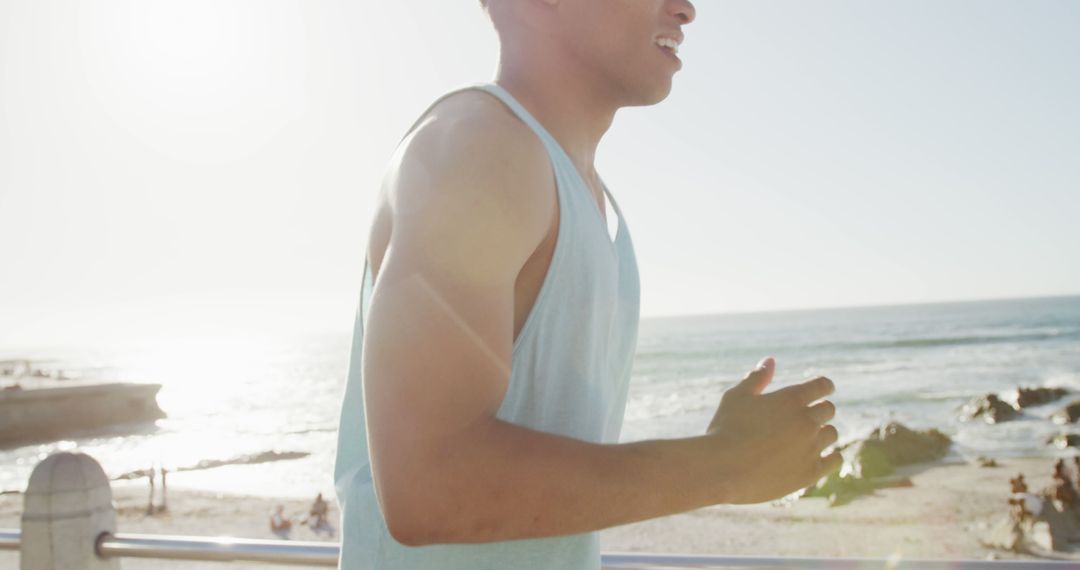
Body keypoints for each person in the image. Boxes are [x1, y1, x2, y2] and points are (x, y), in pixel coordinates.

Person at [333, 1, 841, 568]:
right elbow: (426, 486)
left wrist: (724, 460)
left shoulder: (582, 191)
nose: (686, 9)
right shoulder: (479, 146)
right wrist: (722, 464)